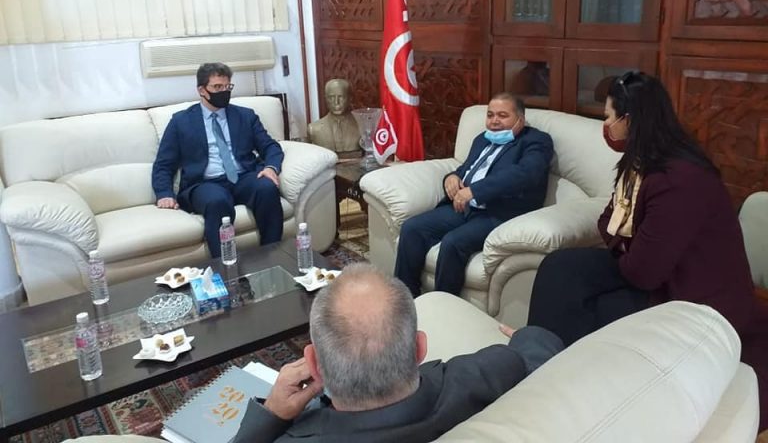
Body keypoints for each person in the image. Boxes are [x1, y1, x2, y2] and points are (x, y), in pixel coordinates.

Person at [526, 71, 768, 430]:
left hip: (693, 294)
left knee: (591, 310)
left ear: (629, 119)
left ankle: (567, 390)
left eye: (608, 117)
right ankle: (536, 360)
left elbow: (643, 271)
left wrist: (623, 241)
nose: (605, 126)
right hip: (652, 269)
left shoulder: (679, 178)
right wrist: (626, 242)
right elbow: (607, 221)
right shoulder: (639, 162)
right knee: (560, 267)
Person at [231, 263, 563, 442]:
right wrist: (527, 334)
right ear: (420, 348)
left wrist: (272, 414)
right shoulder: (474, 378)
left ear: (314, 365)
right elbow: (542, 352)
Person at [395, 93, 553, 297]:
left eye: (503, 115)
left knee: (452, 243)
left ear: (520, 120)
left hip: (499, 212)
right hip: (465, 207)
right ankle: (406, 298)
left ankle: (442, 304)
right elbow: (466, 170)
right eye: (490, 115)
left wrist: (475, 191)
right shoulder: (482, 139)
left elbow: (525, 174)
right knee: (412, 228)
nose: (494, 121)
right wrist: (451, 178)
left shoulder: (536, 141)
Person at [151, 63, 284, 258]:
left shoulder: (245, 116)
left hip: (243, 176)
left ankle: (273, 257)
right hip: (205, 183)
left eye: (227, 87)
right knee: (217, 201)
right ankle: (226, 266)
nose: (223, 92)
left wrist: (271, 168)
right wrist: (164, 193)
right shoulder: (181, 122)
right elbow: (164, 163)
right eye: (217, 87)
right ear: (202, 90)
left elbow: (271, 146)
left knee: (267, 188)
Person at [308, 79, 361, 156]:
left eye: (341, 97)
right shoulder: (313, 129)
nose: (336, 102)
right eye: (331, 97)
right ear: (325, 98)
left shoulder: (362, 125)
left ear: (350, 98)